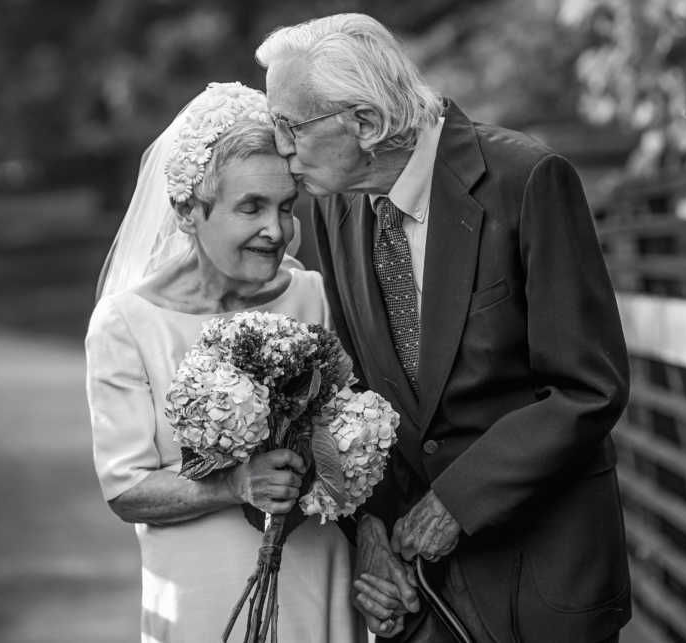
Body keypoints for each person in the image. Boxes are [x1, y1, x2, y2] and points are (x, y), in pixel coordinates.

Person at [256, 13, 632, 643]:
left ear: (367, 124)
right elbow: (356, 394)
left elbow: (588, 387)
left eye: (290, 127)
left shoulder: (527, 180)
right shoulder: (335, 204)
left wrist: (457, 501)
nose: (282, 148)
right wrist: (371, 529)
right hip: (420, 592)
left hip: (544, 573)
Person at [85, 82, 364, 643]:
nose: (276, 229)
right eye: (251, 207)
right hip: (200, 593)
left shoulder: (315, 296)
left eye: (285, 206)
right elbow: (126, 489)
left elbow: (358, 441)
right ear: (189, 210)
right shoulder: (127, 324)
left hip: (319, 575)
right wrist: (234, 484)